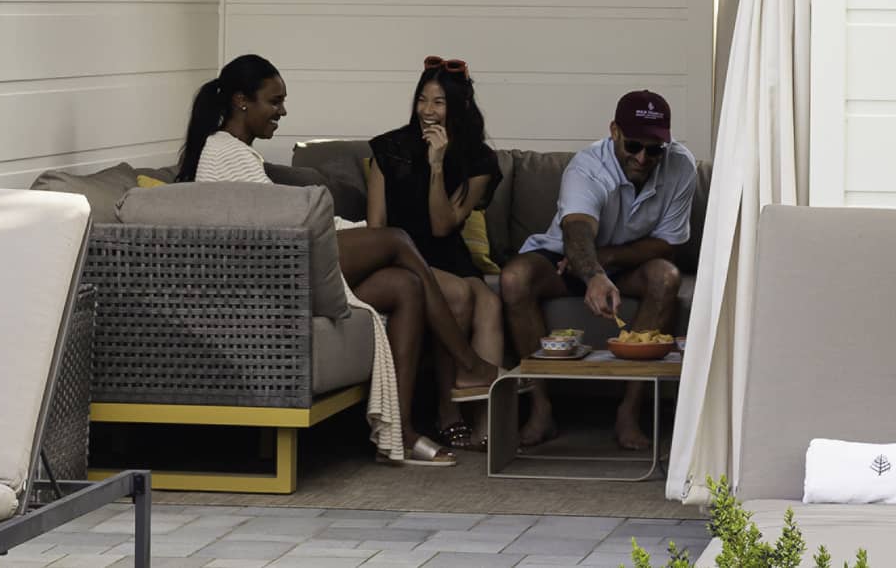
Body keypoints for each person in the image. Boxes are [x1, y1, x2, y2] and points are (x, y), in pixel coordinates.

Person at [177, 53, 500, 467]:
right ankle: (469, 363)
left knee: (406, 286)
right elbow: (287, 228)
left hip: (291, 262)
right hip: (280, 275)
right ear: (242, 101)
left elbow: (286, 218)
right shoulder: (225, 153)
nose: (282, 110)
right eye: (274, 102)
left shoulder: (238, 153)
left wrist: (356, 228)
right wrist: (364, 232)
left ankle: (399, 432)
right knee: (397, 240)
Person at [498, 89, 696, 452]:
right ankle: (541, 408)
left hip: (621, 262)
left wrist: (606, 259)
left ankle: (630, 412)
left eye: (654, 149)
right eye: (634, 145)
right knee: (514, 278)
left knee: (666, 276)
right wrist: (590, 273)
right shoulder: (587, 166)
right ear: (614, 132)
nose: (643, 157)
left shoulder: (681, 165)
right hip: (563, 258)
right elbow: (576, 229)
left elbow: (668, 244)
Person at [367, 55, 505, 453]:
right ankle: (448, 413)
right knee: (460, 296)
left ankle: (486, 420)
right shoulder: (389, 148)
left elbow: (444, 225)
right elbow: (376, 228)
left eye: (439, 102)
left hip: (447, 252)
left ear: (459, 106)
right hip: (401, 253)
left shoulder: (479, 160)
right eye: (422, 100)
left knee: (489, 303)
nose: (428, 111)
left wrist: (438, 166)